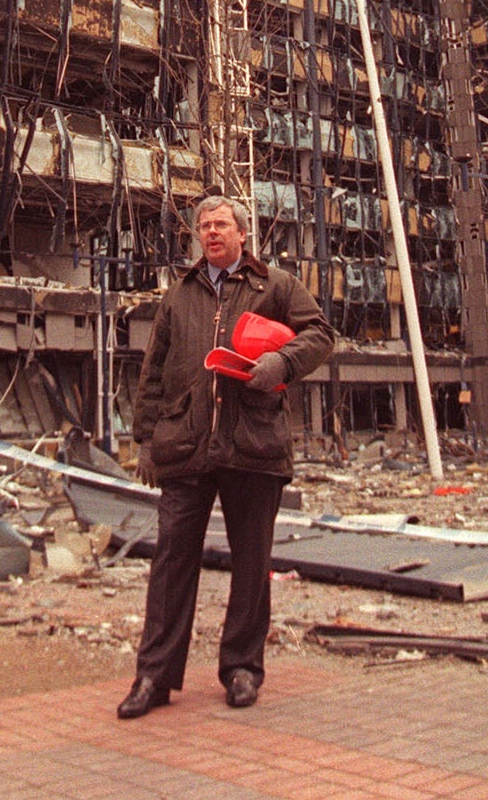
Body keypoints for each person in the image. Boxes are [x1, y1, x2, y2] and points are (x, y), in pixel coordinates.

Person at [116, 194, 332, 719]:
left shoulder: (276, 286)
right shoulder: (180, 294)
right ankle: (154, 676)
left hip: (252, 444)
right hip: (186, 444)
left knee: (251, 562)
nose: (211, 233)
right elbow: (154, 368)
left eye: (221, 225)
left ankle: (241, 668)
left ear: (242, 234)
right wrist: (145, 438)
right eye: (203, 226)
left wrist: (282, 363)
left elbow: (321, 334)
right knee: (170, 564)